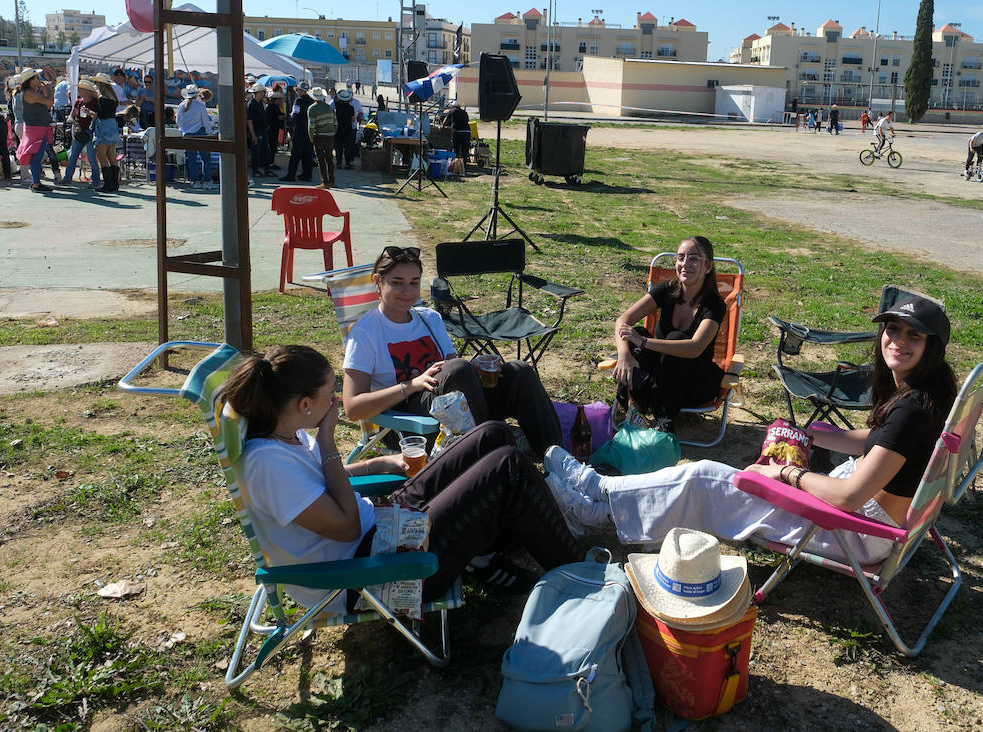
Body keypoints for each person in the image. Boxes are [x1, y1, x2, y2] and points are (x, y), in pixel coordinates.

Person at [546, 295, 959, 566]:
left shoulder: (911, 409)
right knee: (710, 481)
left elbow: (851, 497)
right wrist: (810, 436)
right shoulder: (925, 396)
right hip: (861, 517)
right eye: (893, 329)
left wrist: (787, 474)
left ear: (932, 347)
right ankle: (597, 492)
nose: (897, 341)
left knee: (704, 478)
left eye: (913, 336)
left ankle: (595, 503)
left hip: (855, 533)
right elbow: (877, 445)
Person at [220, 344, 583, 607]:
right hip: (367, 571)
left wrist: (377, 464)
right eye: (330, 393)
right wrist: (328, 440)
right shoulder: (267, 465)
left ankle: (487, 552)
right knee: (507, 467)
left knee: (492, 434)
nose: (335, 401)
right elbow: (345, 528)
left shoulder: (288, 434)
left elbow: (323, 481)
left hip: (379, 525)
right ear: (304, 405)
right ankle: (582, 576)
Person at [342, 245, 563, 458]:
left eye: (414, 282)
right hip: (408, 424)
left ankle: (560, 462)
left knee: (519, 372)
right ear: (378, 283)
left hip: (453, 412)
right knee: (457, 369)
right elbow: (353, 408)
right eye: (397, 283)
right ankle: (493, 454)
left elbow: (453, 373)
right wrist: (411, 386)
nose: (407, 291)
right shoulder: (365, 333)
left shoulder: (429, 318)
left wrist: (474, 371)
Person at [612, 236, 726, 431]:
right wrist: (624, 355)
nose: (685, 264)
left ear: (708, 266)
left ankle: (664, 420)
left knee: (674, 339)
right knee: (635, 334)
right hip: (661, 380)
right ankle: (635, 412)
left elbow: (694, 348)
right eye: (681, 257)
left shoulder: (714, 304)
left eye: (694, 258)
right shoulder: (668, 289)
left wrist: (644, 342)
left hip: (696, 384)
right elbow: (623, 321)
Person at [13, 69, 57, 192]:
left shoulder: (31, 92)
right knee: (37, 157)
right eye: (37, 78)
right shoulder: (29, 93)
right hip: (36, 128)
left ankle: (36, 182)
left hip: (37, 127)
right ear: (30, 80)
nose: (40, 79)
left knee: (37, 156)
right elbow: (50, 102)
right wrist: (48, 89)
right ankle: (36, 184)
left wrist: (45, 91)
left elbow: (47, 105)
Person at [176, 84, 217, 189]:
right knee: (206, 158)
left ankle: (194, 181)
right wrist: (210, 133)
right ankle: (207, 180)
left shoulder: (181, 106)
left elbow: (178, 121)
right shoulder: (200, 106)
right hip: (200, 134)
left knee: (191, 159)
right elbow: (205, 122)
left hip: (187, 135)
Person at [63, 80, 101, 187]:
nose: (79, 90)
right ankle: (67, 178)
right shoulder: (78, 102)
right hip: (80, 131)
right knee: (73, 156)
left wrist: (89, 112)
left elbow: (96, 116)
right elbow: (71, 116)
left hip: (91, 132)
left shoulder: (94, 102)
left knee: (91, 157)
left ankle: (96, 180)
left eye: (81, 88)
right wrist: (75, 124)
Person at [89, 73, 122, 193]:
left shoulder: (102, 98)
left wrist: (89, 112)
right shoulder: (113, 97)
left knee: (101, 156)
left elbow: (101, 115)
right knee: (111, 155)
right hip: (112, 126)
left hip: (103, 127)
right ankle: (114, 184)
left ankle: (108, 184)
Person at [279, 82, 315, 182]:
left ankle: (291, 175)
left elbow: (295, 115)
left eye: (298, 90)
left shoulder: (298, 101)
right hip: (308, 131)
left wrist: (290, 121)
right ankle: (307, 175)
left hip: (299, 130)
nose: (297, 92)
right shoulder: (311, 101)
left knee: (295, 154)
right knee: (307, 154)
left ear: (301, 91)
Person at [307, 86, 338, 188]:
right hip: (330, 136)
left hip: (319, 136)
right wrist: (332, 133)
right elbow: (335, 123)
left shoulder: (312, 108)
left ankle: (325, 182)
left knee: (321, 160)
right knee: (329, 159)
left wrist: (311, 137)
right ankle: (332, 181)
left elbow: (311, 126)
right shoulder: (329, 107)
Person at [245, 86, 269, 177]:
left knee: (265, 150)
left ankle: (266, 169)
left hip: (262, 130)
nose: (264, 93)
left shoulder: (260, 103)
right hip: (257, 131)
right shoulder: (252, 104)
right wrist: (253, 134)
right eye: (262, 92)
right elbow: (249, 121)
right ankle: (255, 170)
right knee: (256, 151)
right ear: (258, 92)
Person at [333, 88, 358, 169]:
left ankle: (338, 163)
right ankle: (347, 163)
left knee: (338, 147)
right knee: (347, 147)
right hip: (348, 128)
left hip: (338, 128)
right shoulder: (351, 108)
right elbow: (353, 119)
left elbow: (334, 98)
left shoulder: (337, 105)